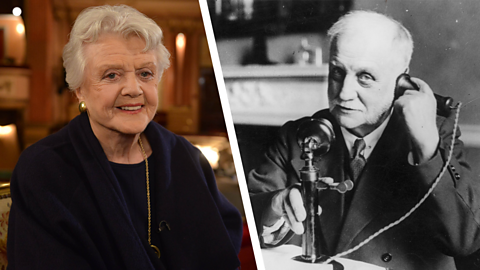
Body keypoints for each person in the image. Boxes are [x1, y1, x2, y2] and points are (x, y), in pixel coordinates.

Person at [7, 5, 242, 270]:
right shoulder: (43, 169)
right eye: (111, 75)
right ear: (79, 90)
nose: (133, 89)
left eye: (145, 73)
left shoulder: (185, 155)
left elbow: (222, 247)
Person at [248, 10, 480, 270]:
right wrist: (275, 205)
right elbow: (246, 215)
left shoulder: (437, 135)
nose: (344, 93)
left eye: (365, 77)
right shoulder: (297, 135)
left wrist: (426, 146)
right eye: (337, 72)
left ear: (402, 82)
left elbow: (465, 241)